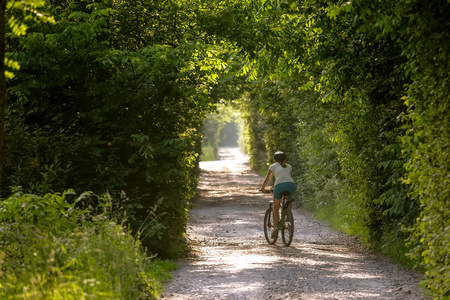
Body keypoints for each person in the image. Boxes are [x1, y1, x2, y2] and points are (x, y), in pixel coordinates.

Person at [260, 151, 296, 238]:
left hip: (279, 186)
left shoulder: (273, 166)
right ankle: (287, 214)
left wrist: (262, 188)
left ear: (274, 159)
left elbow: (267, 179)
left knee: (276, 207)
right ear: (285, 159)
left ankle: (275, 228)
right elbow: (287, 178)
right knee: (289, 198)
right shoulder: (289, 166)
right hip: (291, 185)